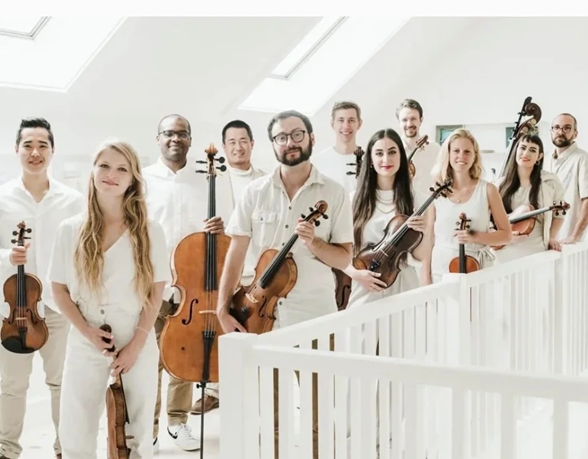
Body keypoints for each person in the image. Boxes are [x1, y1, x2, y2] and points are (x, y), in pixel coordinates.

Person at [216, 109, 354, 459]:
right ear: (273, 144)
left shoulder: (334, 192)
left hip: (316, 315)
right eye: (281, 137)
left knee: (319, 413)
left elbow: (344, 259)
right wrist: (221, 307)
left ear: (311, 138)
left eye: (297, 134)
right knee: (269, 415)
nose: (289, 142)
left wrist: (314, 243)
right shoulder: (255, 192)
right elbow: (236, 251)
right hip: (263, 318)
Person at [48, 140, 170, 459]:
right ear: (92, 171)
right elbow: (58, 289)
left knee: (137, 436)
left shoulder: (151, 231)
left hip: (136, 337)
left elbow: (155, 292)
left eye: (121, 169)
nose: (111, 174)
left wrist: (136, 345)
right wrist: (87, 332)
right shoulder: (69, 230)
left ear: (133, 179)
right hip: (85, 337)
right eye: (104, 166)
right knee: (75, 432)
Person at [142, 114, 230, 452]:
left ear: (190, 139)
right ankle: (147, 429)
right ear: (158, 138)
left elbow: (224, 229)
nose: (175, 139)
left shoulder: (205, 178)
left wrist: (219, 227)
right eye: (168, 133)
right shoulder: (143, 180)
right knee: (148, 359)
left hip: (191, 284)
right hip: (152, 281)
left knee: (182, 356)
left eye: (182, 134)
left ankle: (177, 422)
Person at [0, 118, 84, 459]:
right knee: (12, 385)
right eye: (28, 145)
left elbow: (82, 253)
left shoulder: (73, 200)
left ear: (52, 150)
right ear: (16, 149)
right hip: (12, 310)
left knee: (62, 383)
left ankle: (65, 448)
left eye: (42, 146)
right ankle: (6, 449)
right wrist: (8, 255)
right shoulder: (2, 197)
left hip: (58, 306)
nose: (35, 152)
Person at [191, 119, 268, 415]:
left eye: (243, 140)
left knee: (255, 332)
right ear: (224, 147)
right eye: (232, 142)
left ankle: (255, 391)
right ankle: (214, 388)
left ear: (252, 143)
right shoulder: (213, 181)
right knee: (220, 327)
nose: (238, 147)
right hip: (223, 265)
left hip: (255, 267)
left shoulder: (266, 180)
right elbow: (198, 221)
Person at [344, 128, 433, 309]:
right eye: (379, 153)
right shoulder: (353, 200)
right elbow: (340, 251)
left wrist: (424, 231)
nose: (386, 159)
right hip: (364, 286)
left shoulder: (419, 200)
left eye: (392, 152)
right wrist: (355, 274)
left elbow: (421, 256)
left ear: (401, 157)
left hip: (404, 288)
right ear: (370, 159)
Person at [429, 128, 511, 283]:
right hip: (441, 269)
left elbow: (506, 235)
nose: (461, 156)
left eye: (467, 152)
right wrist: (426, 281)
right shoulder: (437, 191)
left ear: (474, 157)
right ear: (448, 154)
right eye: (456, 151)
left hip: (477, 269)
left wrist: (475, 236)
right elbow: (428, 239)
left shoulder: (488, 190)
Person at [494, 134, 566, 263]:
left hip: (535, 250)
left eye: (532, 150)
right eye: (522, 148)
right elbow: (490, 218)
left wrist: (551, 237)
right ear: (516, 151)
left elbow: (559, 215)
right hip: (504, 249)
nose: (526, 153)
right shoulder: (500, 184)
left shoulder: (550, 181)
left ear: (539, 157)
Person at [544, 113, 588, 243]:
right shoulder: (545, 159)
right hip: (547, 237)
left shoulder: (583, 159)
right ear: (551, 131)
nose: (560, 132)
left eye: (567, 128)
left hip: (569, 238)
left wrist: (574, 236)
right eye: (556, 127)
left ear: (575, 133)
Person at [311, 101, 363, 193]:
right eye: (341, 120)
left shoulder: (372, 161)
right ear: (332, 124)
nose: (346, 126)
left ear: (359, 124)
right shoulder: (317, 163)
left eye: (351, 120)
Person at [396, 98, 442, 196]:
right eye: (404, 120)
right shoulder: (392, 151)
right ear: (399, 123)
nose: (409, 124)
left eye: (413, 119)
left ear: (421, 120)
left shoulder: (435, 149)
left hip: (429, 205)